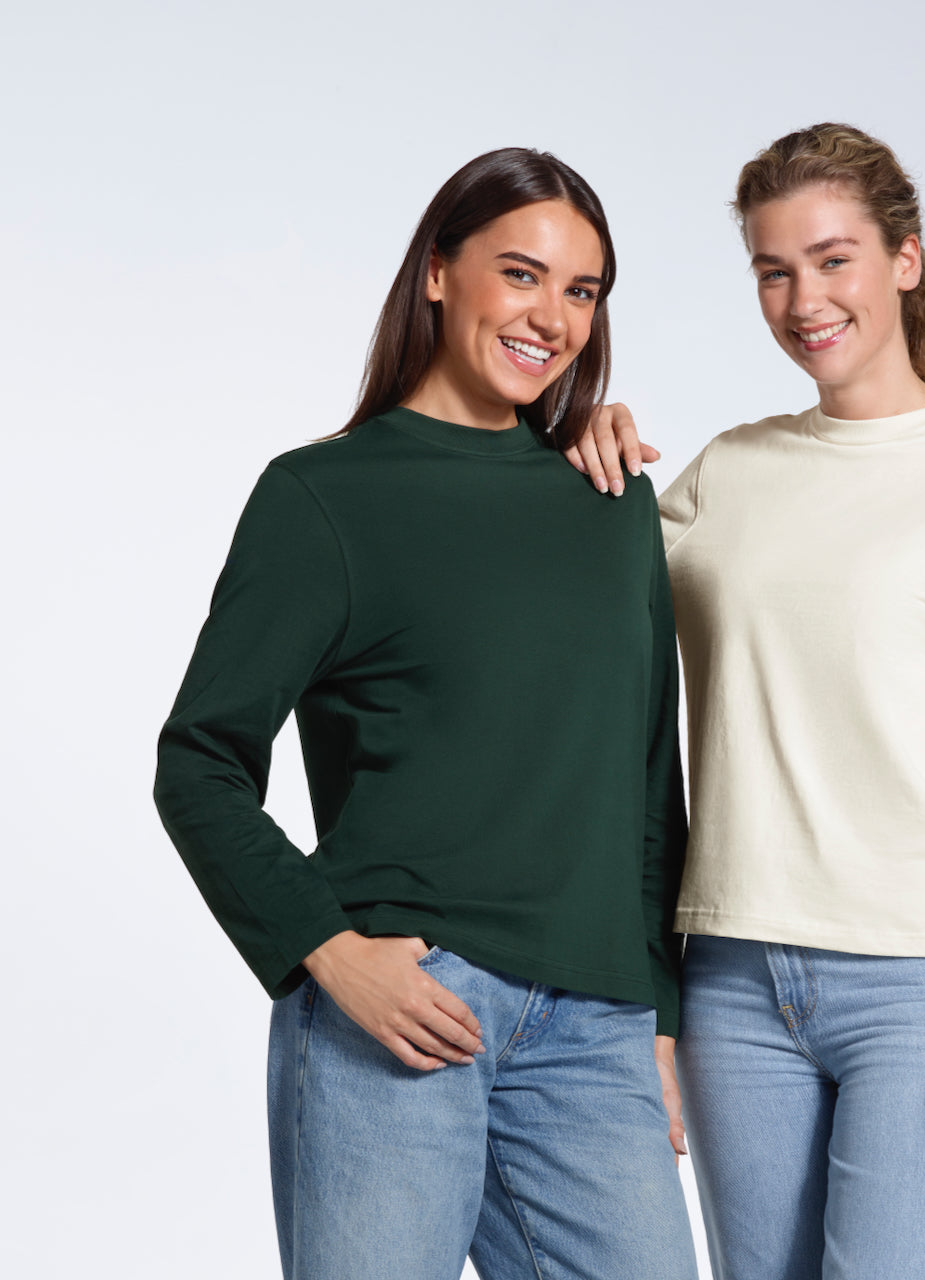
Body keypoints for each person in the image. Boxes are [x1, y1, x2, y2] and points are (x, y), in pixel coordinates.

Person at [153, 147, 697, 1280]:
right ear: (440, 271)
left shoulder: (609, 506)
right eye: (521, 273)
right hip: (396, 1009)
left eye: (581, 292)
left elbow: (650, 781)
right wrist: (326, 953)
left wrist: (659, 1012)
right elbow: (197, 761)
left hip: (594, 1029)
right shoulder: (324, 497)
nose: (551, 316)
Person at [569, 122, 925, 1279]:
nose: (802, 298)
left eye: (832, 258)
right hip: (732, 979)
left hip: (913, 987)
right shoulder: (730, 471)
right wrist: (577, 443)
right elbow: (585, 595)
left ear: (902, 258)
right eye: (772, 268)